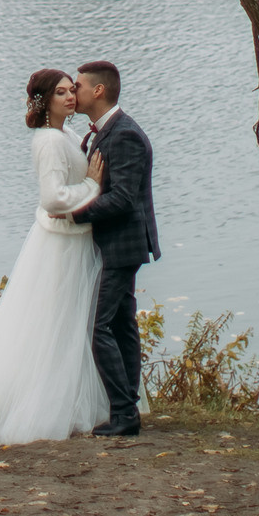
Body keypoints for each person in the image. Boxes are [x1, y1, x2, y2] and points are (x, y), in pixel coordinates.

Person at [0, 69, 112, 444]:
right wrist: (92, 185)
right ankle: (37, 407)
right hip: (61, 244)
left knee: (67, 323)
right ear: (45, 100)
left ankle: (65, 400)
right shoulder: (49, 141)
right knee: (52, 322)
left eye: (72, 90)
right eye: (61, 93)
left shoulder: (65, 134)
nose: (70, 97)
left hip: (72, 237)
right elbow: (52, 198)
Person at [66, 60, 159, 436]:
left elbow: (122, 199)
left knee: (98, 325)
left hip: (123, 244)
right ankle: (126, 410)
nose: (74, 92)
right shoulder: (106, 133)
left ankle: (123, 412)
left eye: (78, 86)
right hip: (117, 243)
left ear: (98, 90)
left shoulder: (124, 135)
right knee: (121, 325)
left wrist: (75, 214)